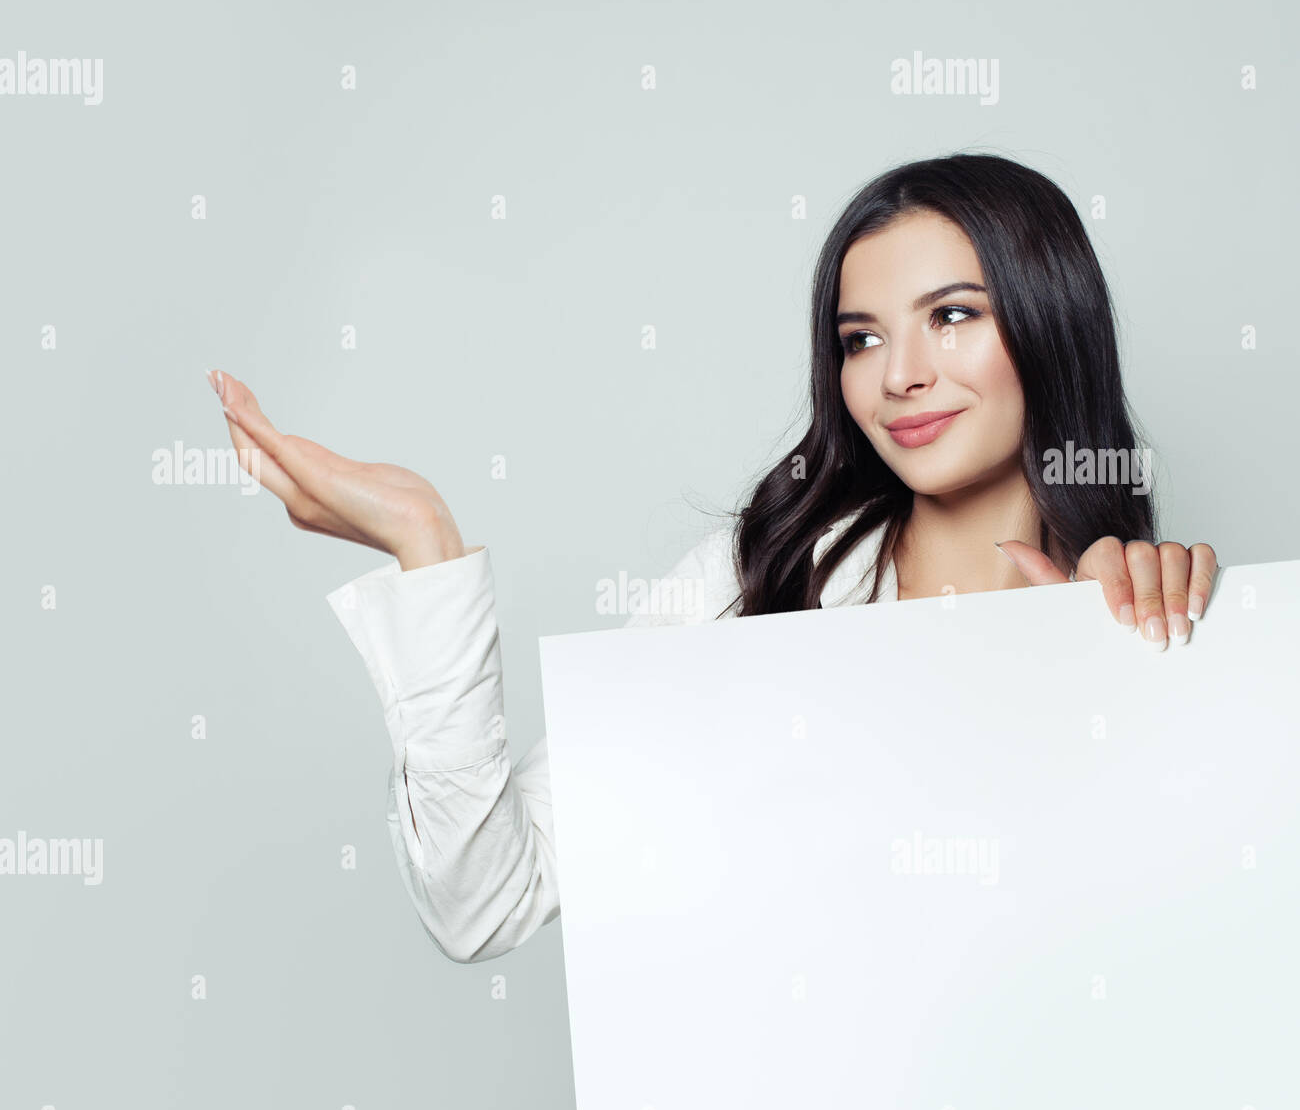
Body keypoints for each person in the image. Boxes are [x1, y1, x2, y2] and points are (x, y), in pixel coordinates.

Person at [206, 152, 1218, 964]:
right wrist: (426, 547)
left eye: (952, 316)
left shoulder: (1143, 612)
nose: (900, 376)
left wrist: (1134, 680)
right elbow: (487, 904)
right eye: (859, 339)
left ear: (1049, 324)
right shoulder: (750, 586)